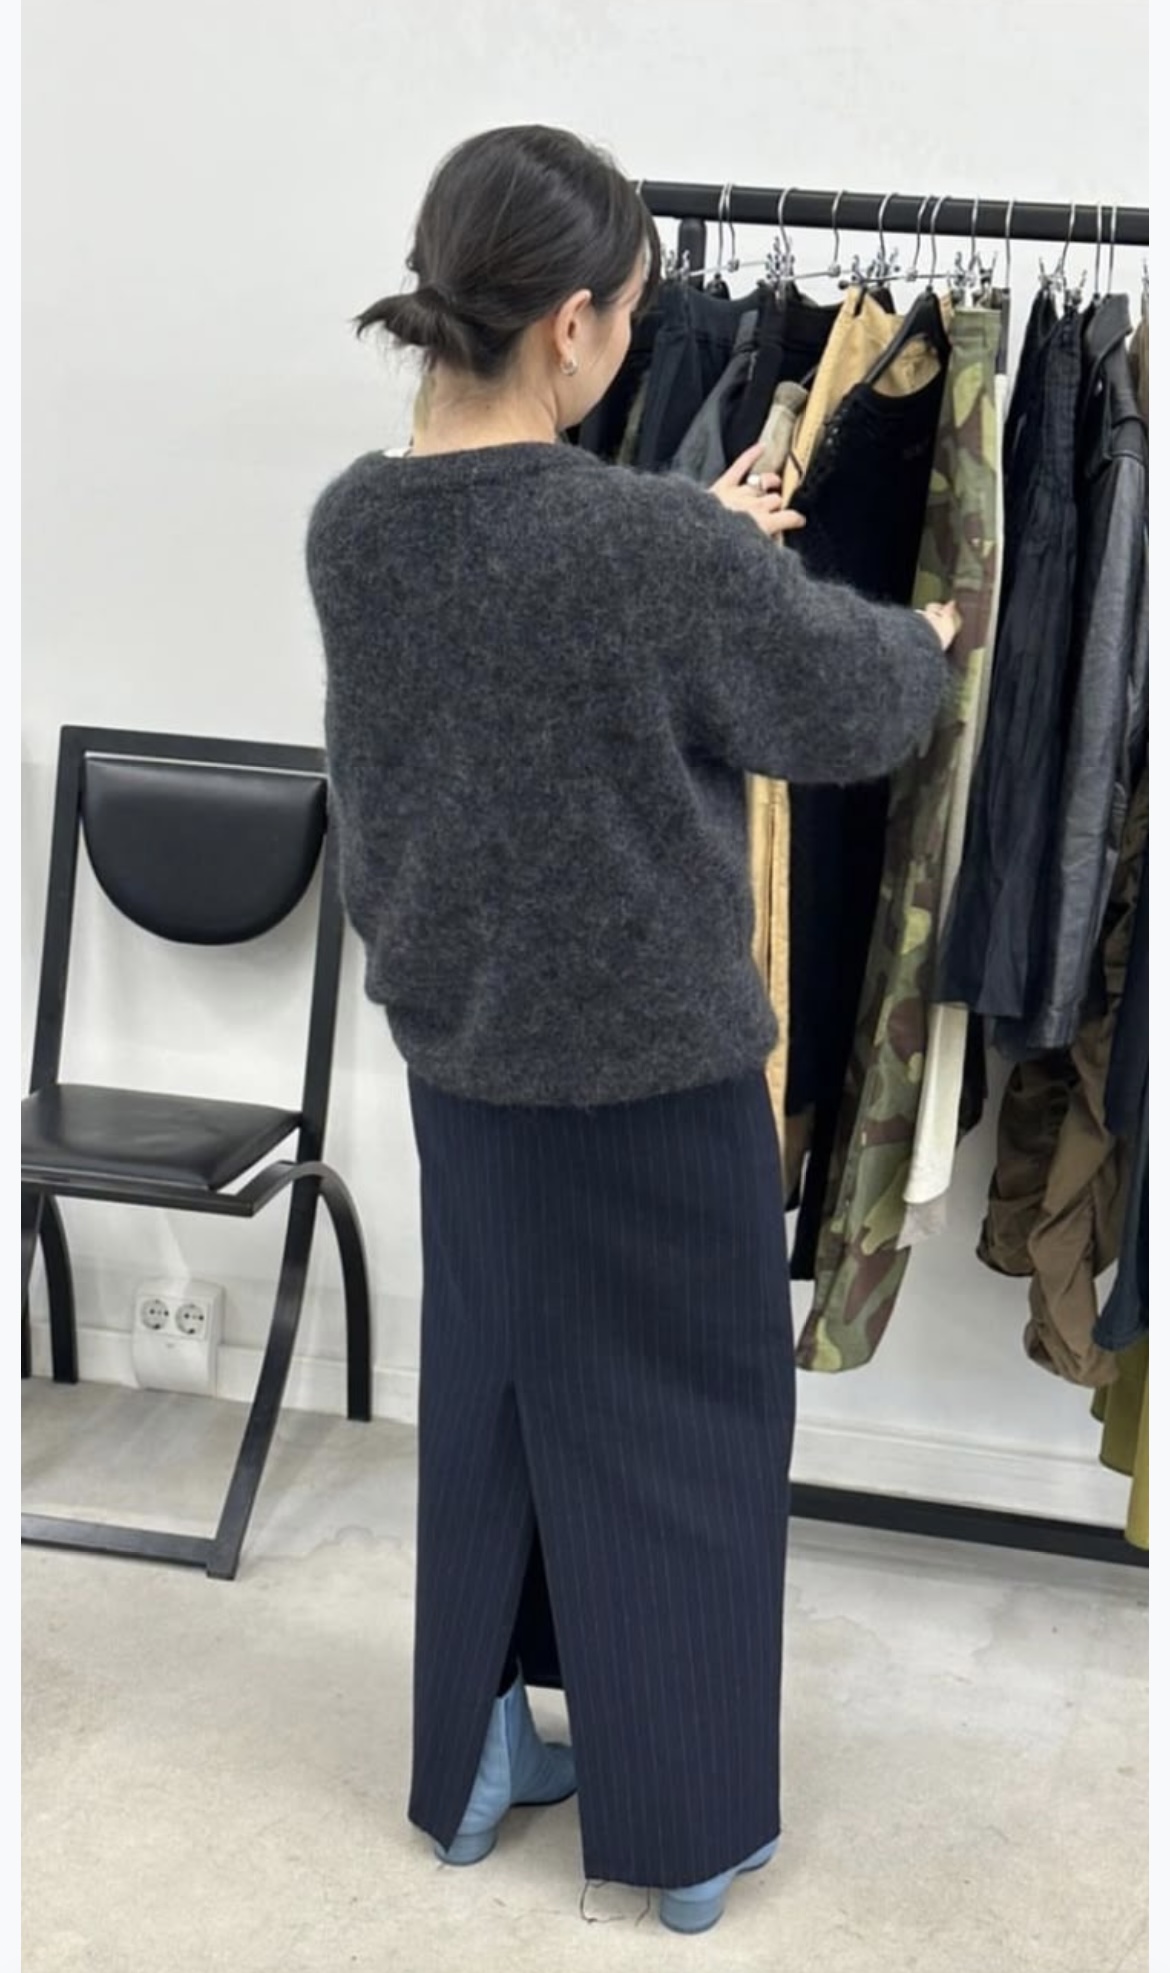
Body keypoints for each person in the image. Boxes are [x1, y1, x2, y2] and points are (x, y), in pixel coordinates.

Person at [306, 124, 958, 1937]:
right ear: (577, 324)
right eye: (634, 316)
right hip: (653, 1070)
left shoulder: (354, 522)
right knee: (689, 1423)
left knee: (497, 1398)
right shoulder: (640, 545)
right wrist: (924, 628)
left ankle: (470, 1766)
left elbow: (517, 632)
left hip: (462, 1054)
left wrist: (699, 533)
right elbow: (837, 707)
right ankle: (684, 1833)